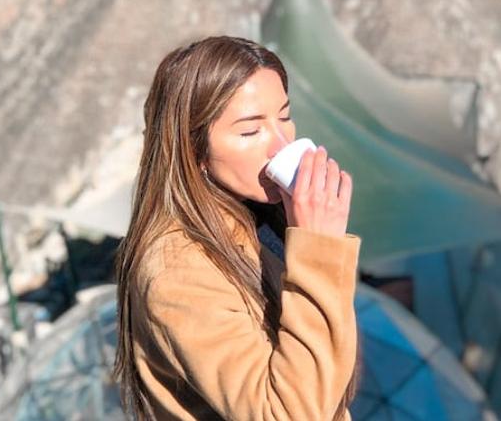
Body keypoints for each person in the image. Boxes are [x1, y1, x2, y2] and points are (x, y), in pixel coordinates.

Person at [114, 36, 361, 420]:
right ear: (193, 151)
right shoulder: (177, 268)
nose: (281, 145)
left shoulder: (259, 223)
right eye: (251, 131)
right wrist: (318, 248)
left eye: (284, 117)